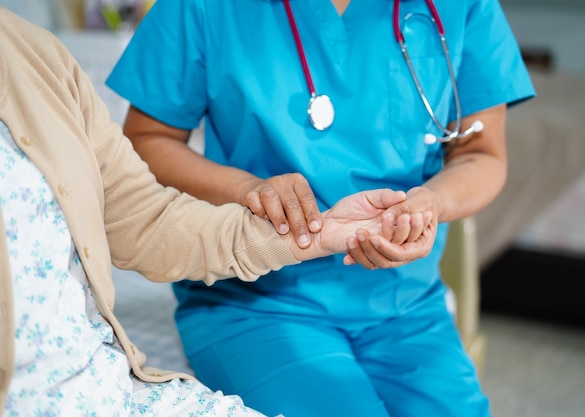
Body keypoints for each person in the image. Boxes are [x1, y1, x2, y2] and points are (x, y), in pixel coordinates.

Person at [106, 0, 536, 416]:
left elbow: (481, 153)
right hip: (256, 299)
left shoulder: (465, 6)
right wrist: (248, 189)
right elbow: (147, 140)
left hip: (405, 303)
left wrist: (431, 204)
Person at [0, 8, 416, 416]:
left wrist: (317, 233)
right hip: (249, 307)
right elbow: (152, 140)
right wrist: (250, 190)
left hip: (108, 390)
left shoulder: (38, 57)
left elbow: (146, 220)